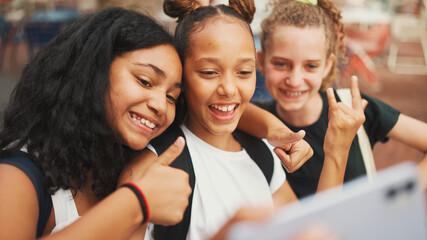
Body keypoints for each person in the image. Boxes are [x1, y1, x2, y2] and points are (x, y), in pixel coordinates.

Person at [0, 7, 192, 239]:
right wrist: (136, 203)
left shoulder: (133, 167)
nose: (161, 106)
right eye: (145, 81)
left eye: (172, 97)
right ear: (93, 71)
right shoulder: (16, 177)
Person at [255, 0, 427, 199]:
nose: (294, 80)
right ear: (261, 61)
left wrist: (398, 194)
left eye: (310, 66)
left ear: (328, 65)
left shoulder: (352, 109)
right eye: (281, 64)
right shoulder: (255, 123)